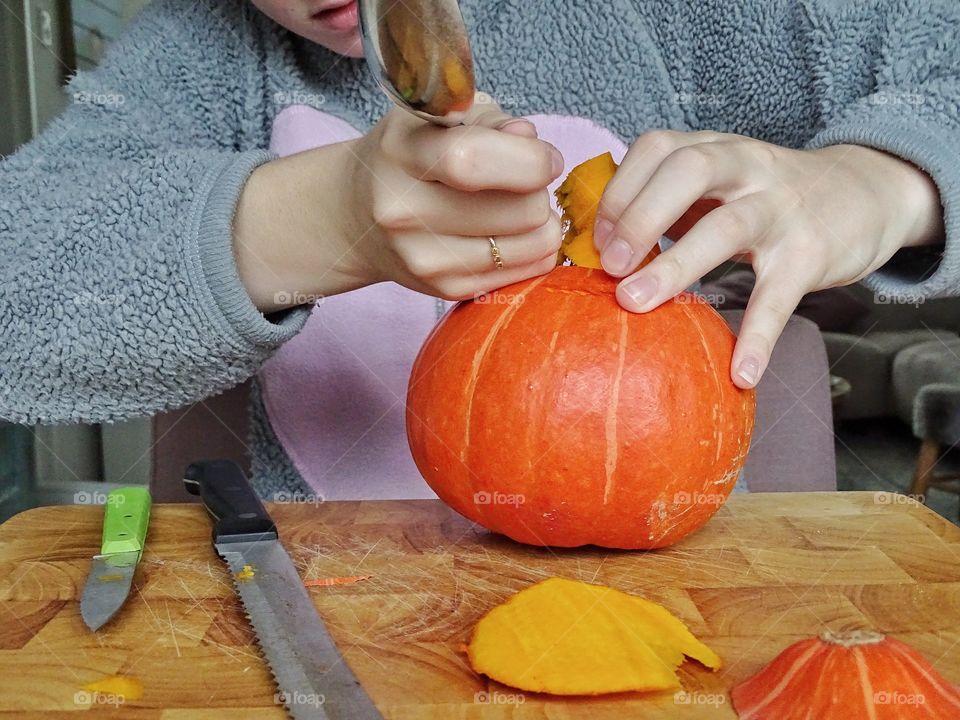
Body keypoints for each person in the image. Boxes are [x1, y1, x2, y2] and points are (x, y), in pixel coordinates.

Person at [1, 0, 956, 499]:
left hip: (670, 588)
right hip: (331, 607)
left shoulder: (683, 20)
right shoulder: (200, 47)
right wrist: (319, 221)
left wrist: (886, 177)